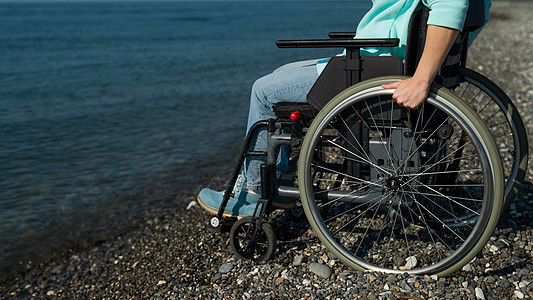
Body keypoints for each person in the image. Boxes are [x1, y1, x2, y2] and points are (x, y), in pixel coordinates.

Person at [197, 0, 492, 218]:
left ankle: (254, 193)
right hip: (383, 60)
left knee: (264, 91)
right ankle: (282, 178)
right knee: (282, 74)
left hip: (377, 70)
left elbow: (451, 5)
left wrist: (422, 79)